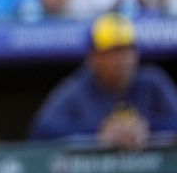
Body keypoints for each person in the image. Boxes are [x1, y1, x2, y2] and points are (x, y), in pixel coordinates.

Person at [29, 13, 177, 149]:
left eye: (127, 50)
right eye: (113, 52)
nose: (123, 60)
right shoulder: (78, 88)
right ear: (94, 58)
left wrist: (147, 127)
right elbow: (42, 130)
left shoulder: (152, 82)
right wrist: (98, 133)